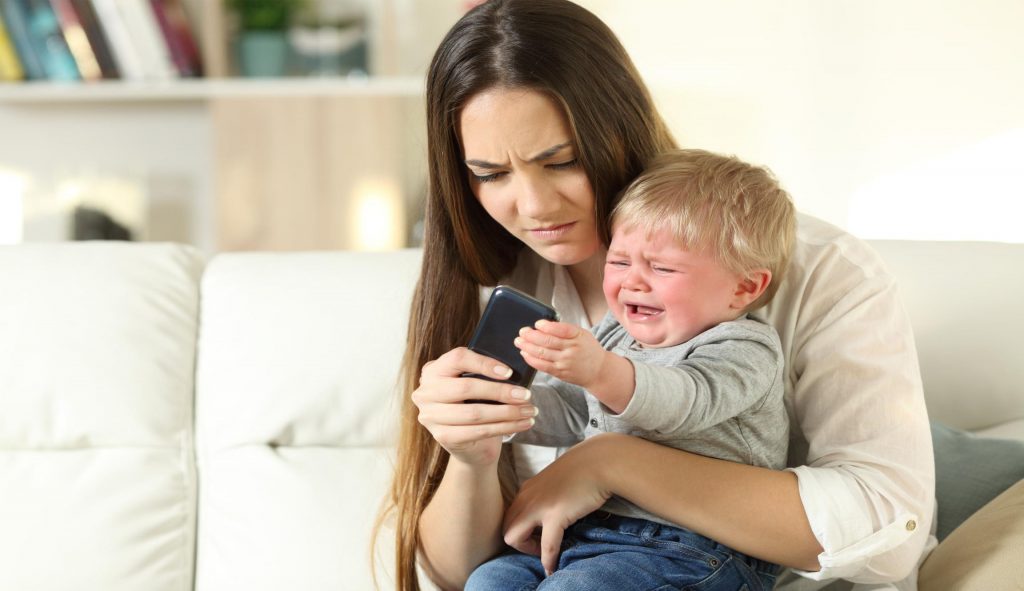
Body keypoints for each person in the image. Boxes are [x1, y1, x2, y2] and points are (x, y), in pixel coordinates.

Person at [377, 1, 935, 590]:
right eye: (491, 174)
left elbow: (887, 530)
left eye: (562, 161)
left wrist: (613, 462)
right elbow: (457, 575)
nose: (534, 206)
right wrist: (473, 452)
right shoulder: (495, 279)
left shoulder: (816, 271)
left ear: (620, 127)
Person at [464, 148, 795, 590]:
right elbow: (575, 410)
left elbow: (685, 401)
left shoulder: (744, 347)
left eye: (662, 267)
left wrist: (599, 370)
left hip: (701, 550)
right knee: (492, 580)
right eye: (619, 261)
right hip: (593, 536)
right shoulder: (617, 334)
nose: (632, 281)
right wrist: (504, 403)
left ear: (744, 288)